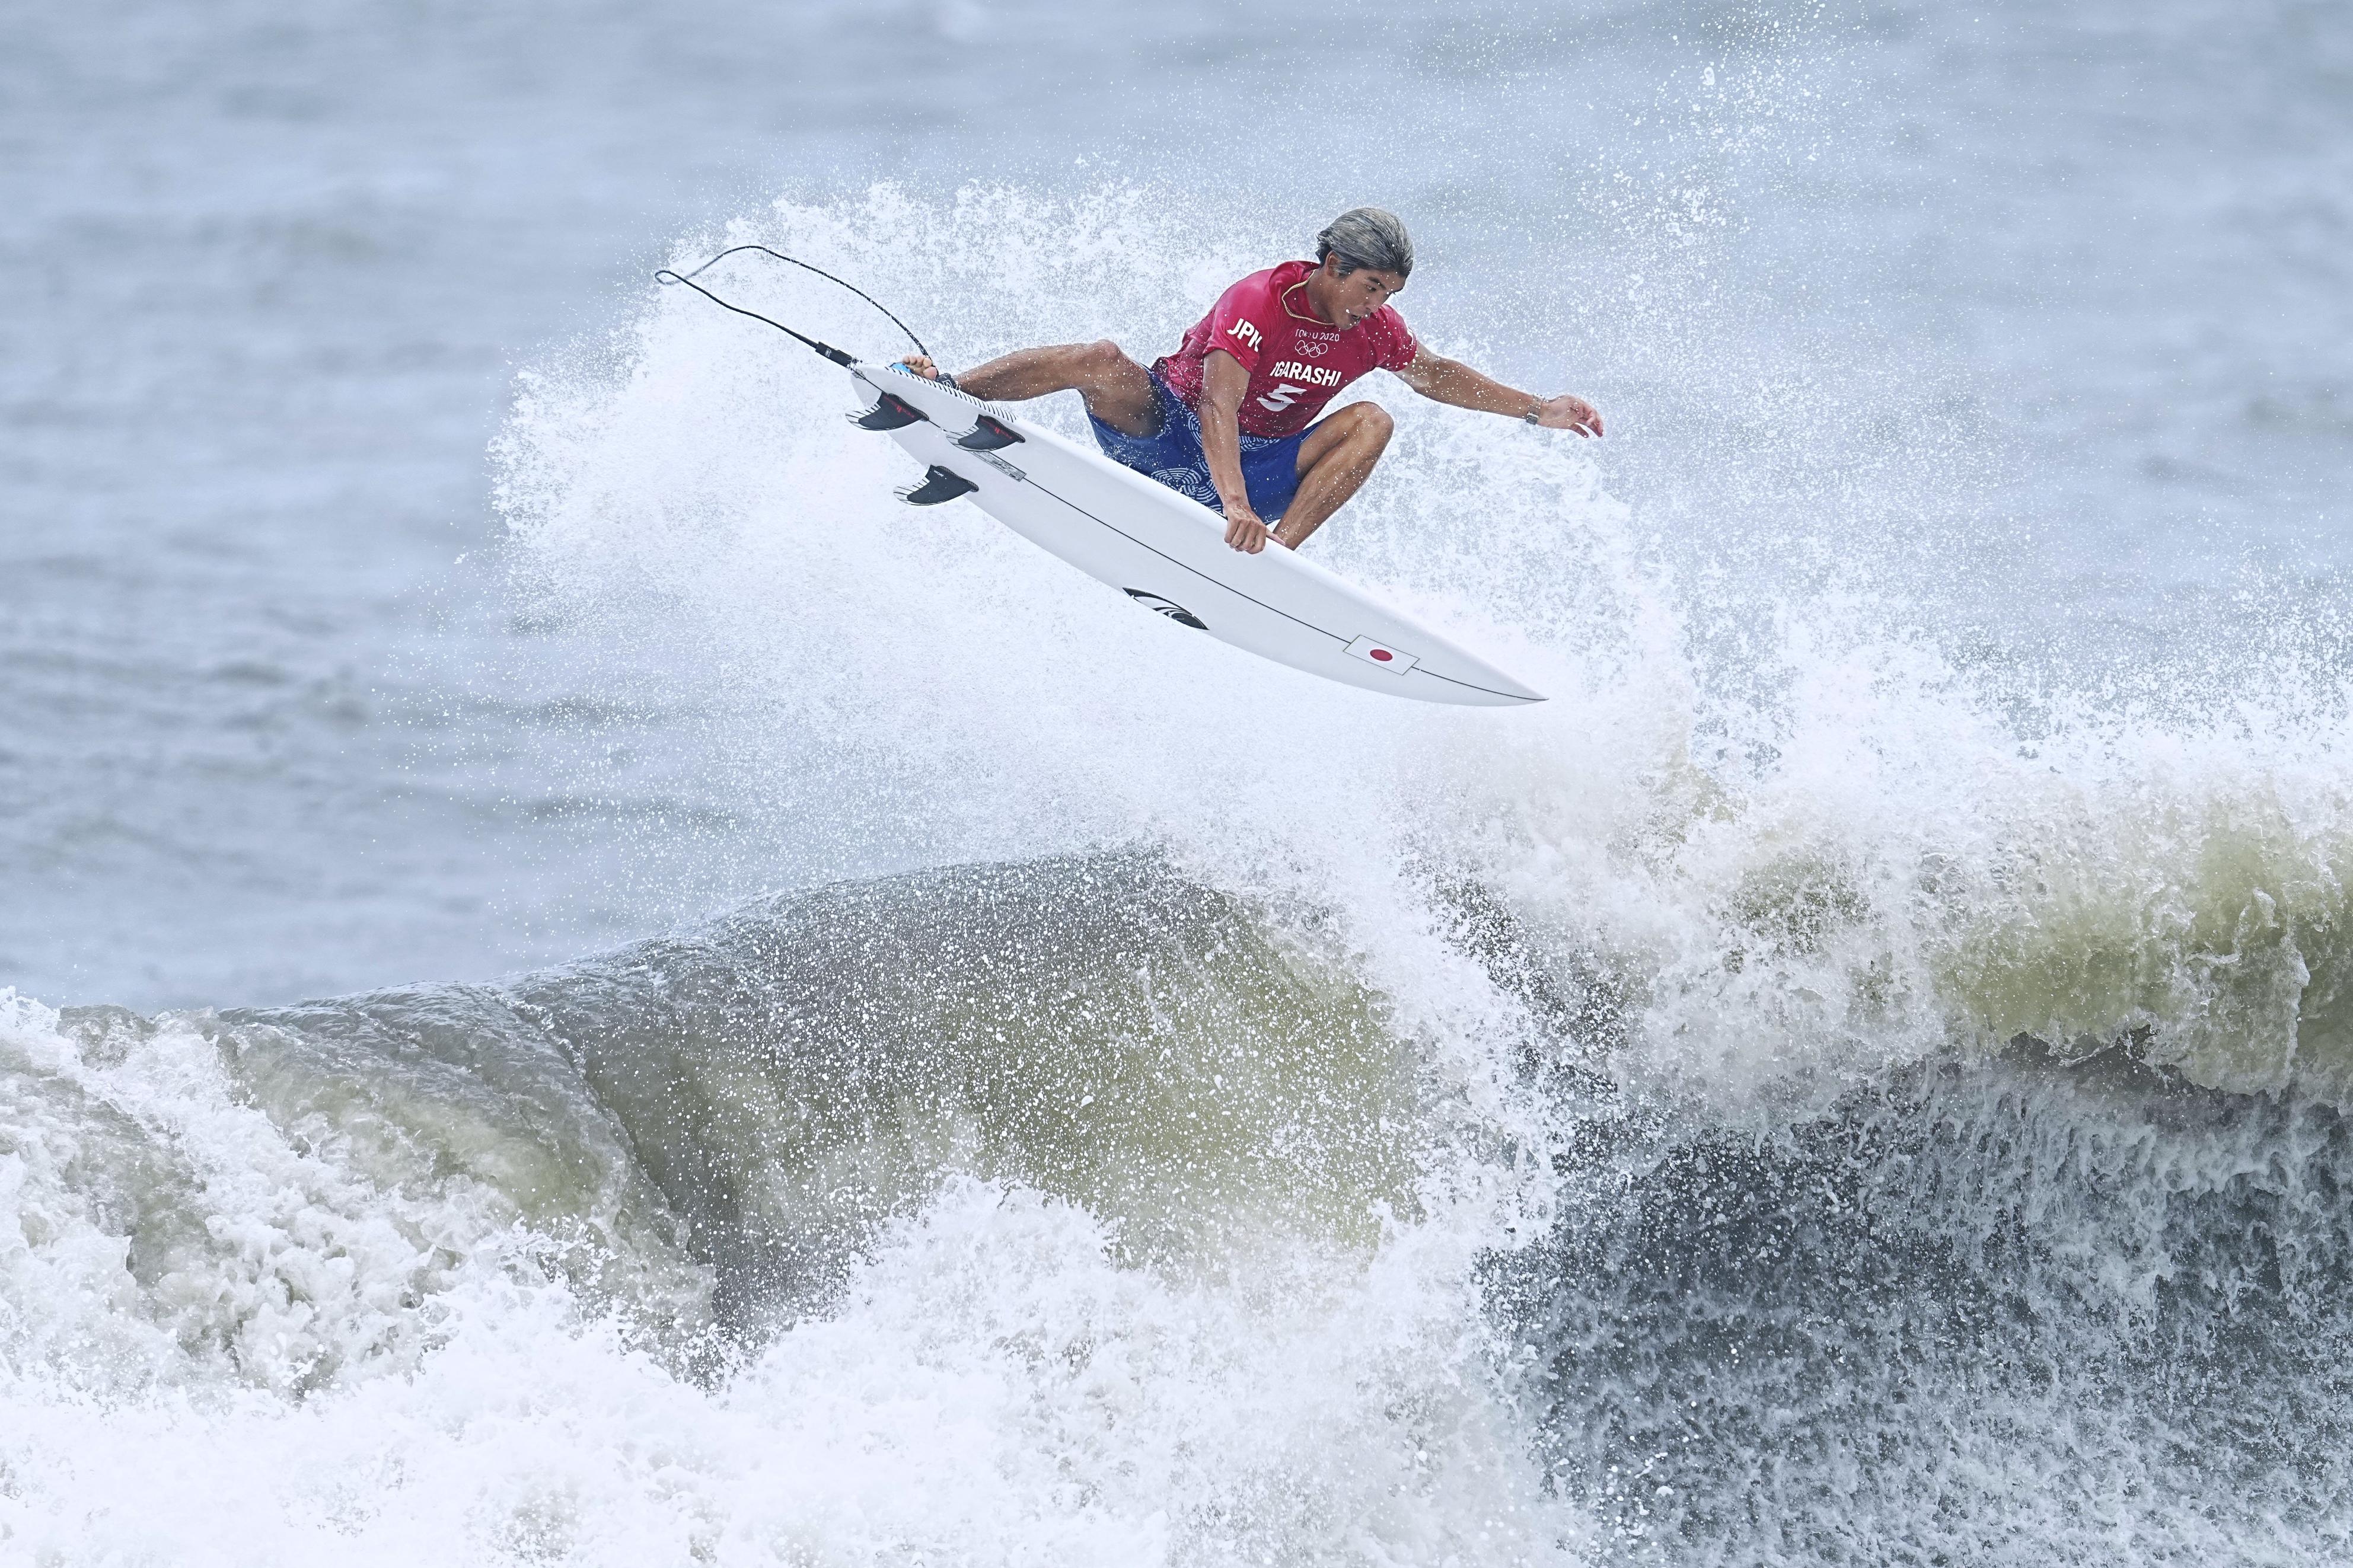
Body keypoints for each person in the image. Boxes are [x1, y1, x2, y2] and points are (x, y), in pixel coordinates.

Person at [893, 207, 1605, 555]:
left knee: (1373, 420)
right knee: (1100, 358)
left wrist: (1535, 408)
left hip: (1261, 466)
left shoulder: (1374, 331)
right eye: (1369, 285)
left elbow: (1433, 375)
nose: (1376, 304)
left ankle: (1277, 555)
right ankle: (947, 385)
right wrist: (1229, 500)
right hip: (1166, 432)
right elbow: (1214, 402)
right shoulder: (1259, 302)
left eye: (1388, 292)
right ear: (1332, 264)